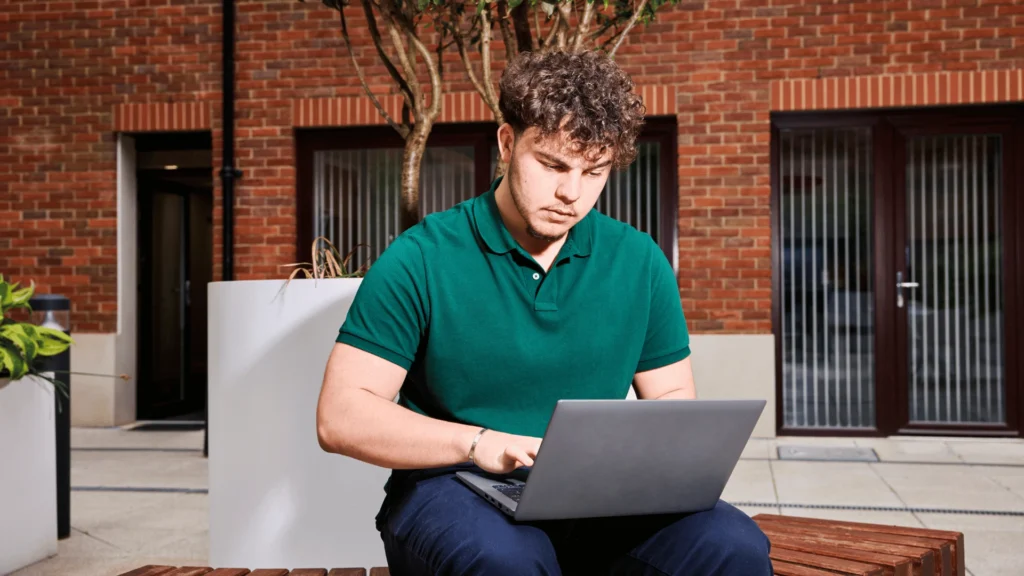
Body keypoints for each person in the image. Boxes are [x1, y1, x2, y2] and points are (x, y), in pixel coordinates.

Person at [316, 49, 772, 576]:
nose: (571, 193)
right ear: (508, 144)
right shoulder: (421, 256)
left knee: (732, 546)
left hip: (595, 494)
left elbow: (670, 395)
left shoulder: (639, 259)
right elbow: (340, 415)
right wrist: (479, 443)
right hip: (454, 484)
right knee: (507, 562)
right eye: (552, 164)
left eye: (593, 171)